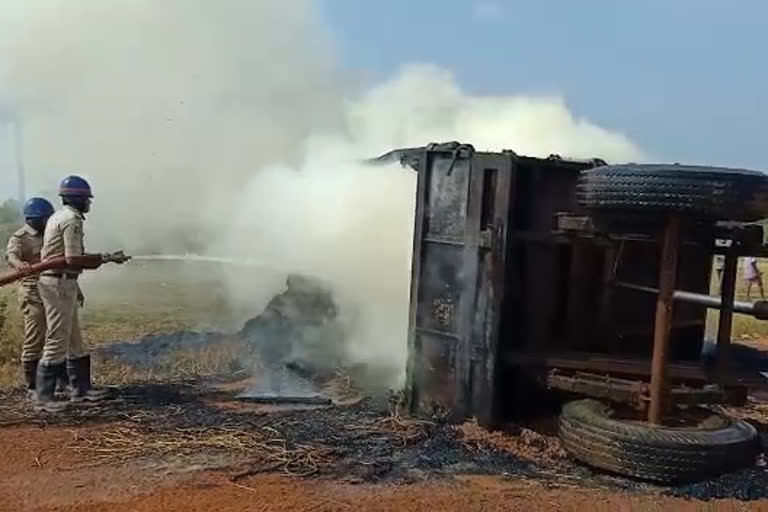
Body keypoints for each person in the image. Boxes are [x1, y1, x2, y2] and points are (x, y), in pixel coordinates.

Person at [36, 175, 120, 410]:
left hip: (63, 282)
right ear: (78, 199)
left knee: (75, 339)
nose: (89, 203)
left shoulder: (58, 216)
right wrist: (103, 258)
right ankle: (44, 398)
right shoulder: (72, 220)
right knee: (57, 338)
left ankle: (81, 390)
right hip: (58, 283)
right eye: (86, 199)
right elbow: (72, 259)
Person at [4, 197, 62, 400]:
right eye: (44, 218)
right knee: (35, 337)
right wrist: (19, 264)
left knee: (56, 336)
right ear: (32, 219)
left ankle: (57, 381)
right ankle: (32, 386)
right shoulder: (20, 237)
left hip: (54, 288)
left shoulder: (51, 234)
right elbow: (11, 255)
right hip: (33, 291)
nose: (47, 221)